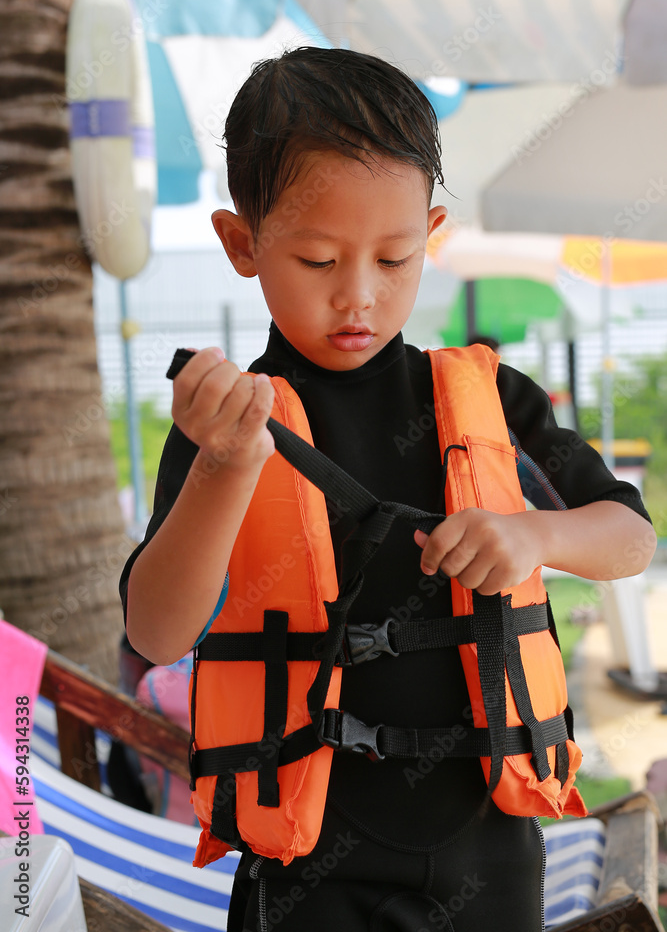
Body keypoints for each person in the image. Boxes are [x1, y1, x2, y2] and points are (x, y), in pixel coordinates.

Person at [120, 48, 656, 932]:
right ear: (242, 243)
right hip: (310, 868)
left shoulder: (489, 398)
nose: (359, 297)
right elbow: (155, 630)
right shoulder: (230, 426)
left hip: (489, 851)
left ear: (430, 233)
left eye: (395, 257)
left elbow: (629, 540)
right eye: (320, 261)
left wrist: (536, 539)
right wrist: (223, 468)